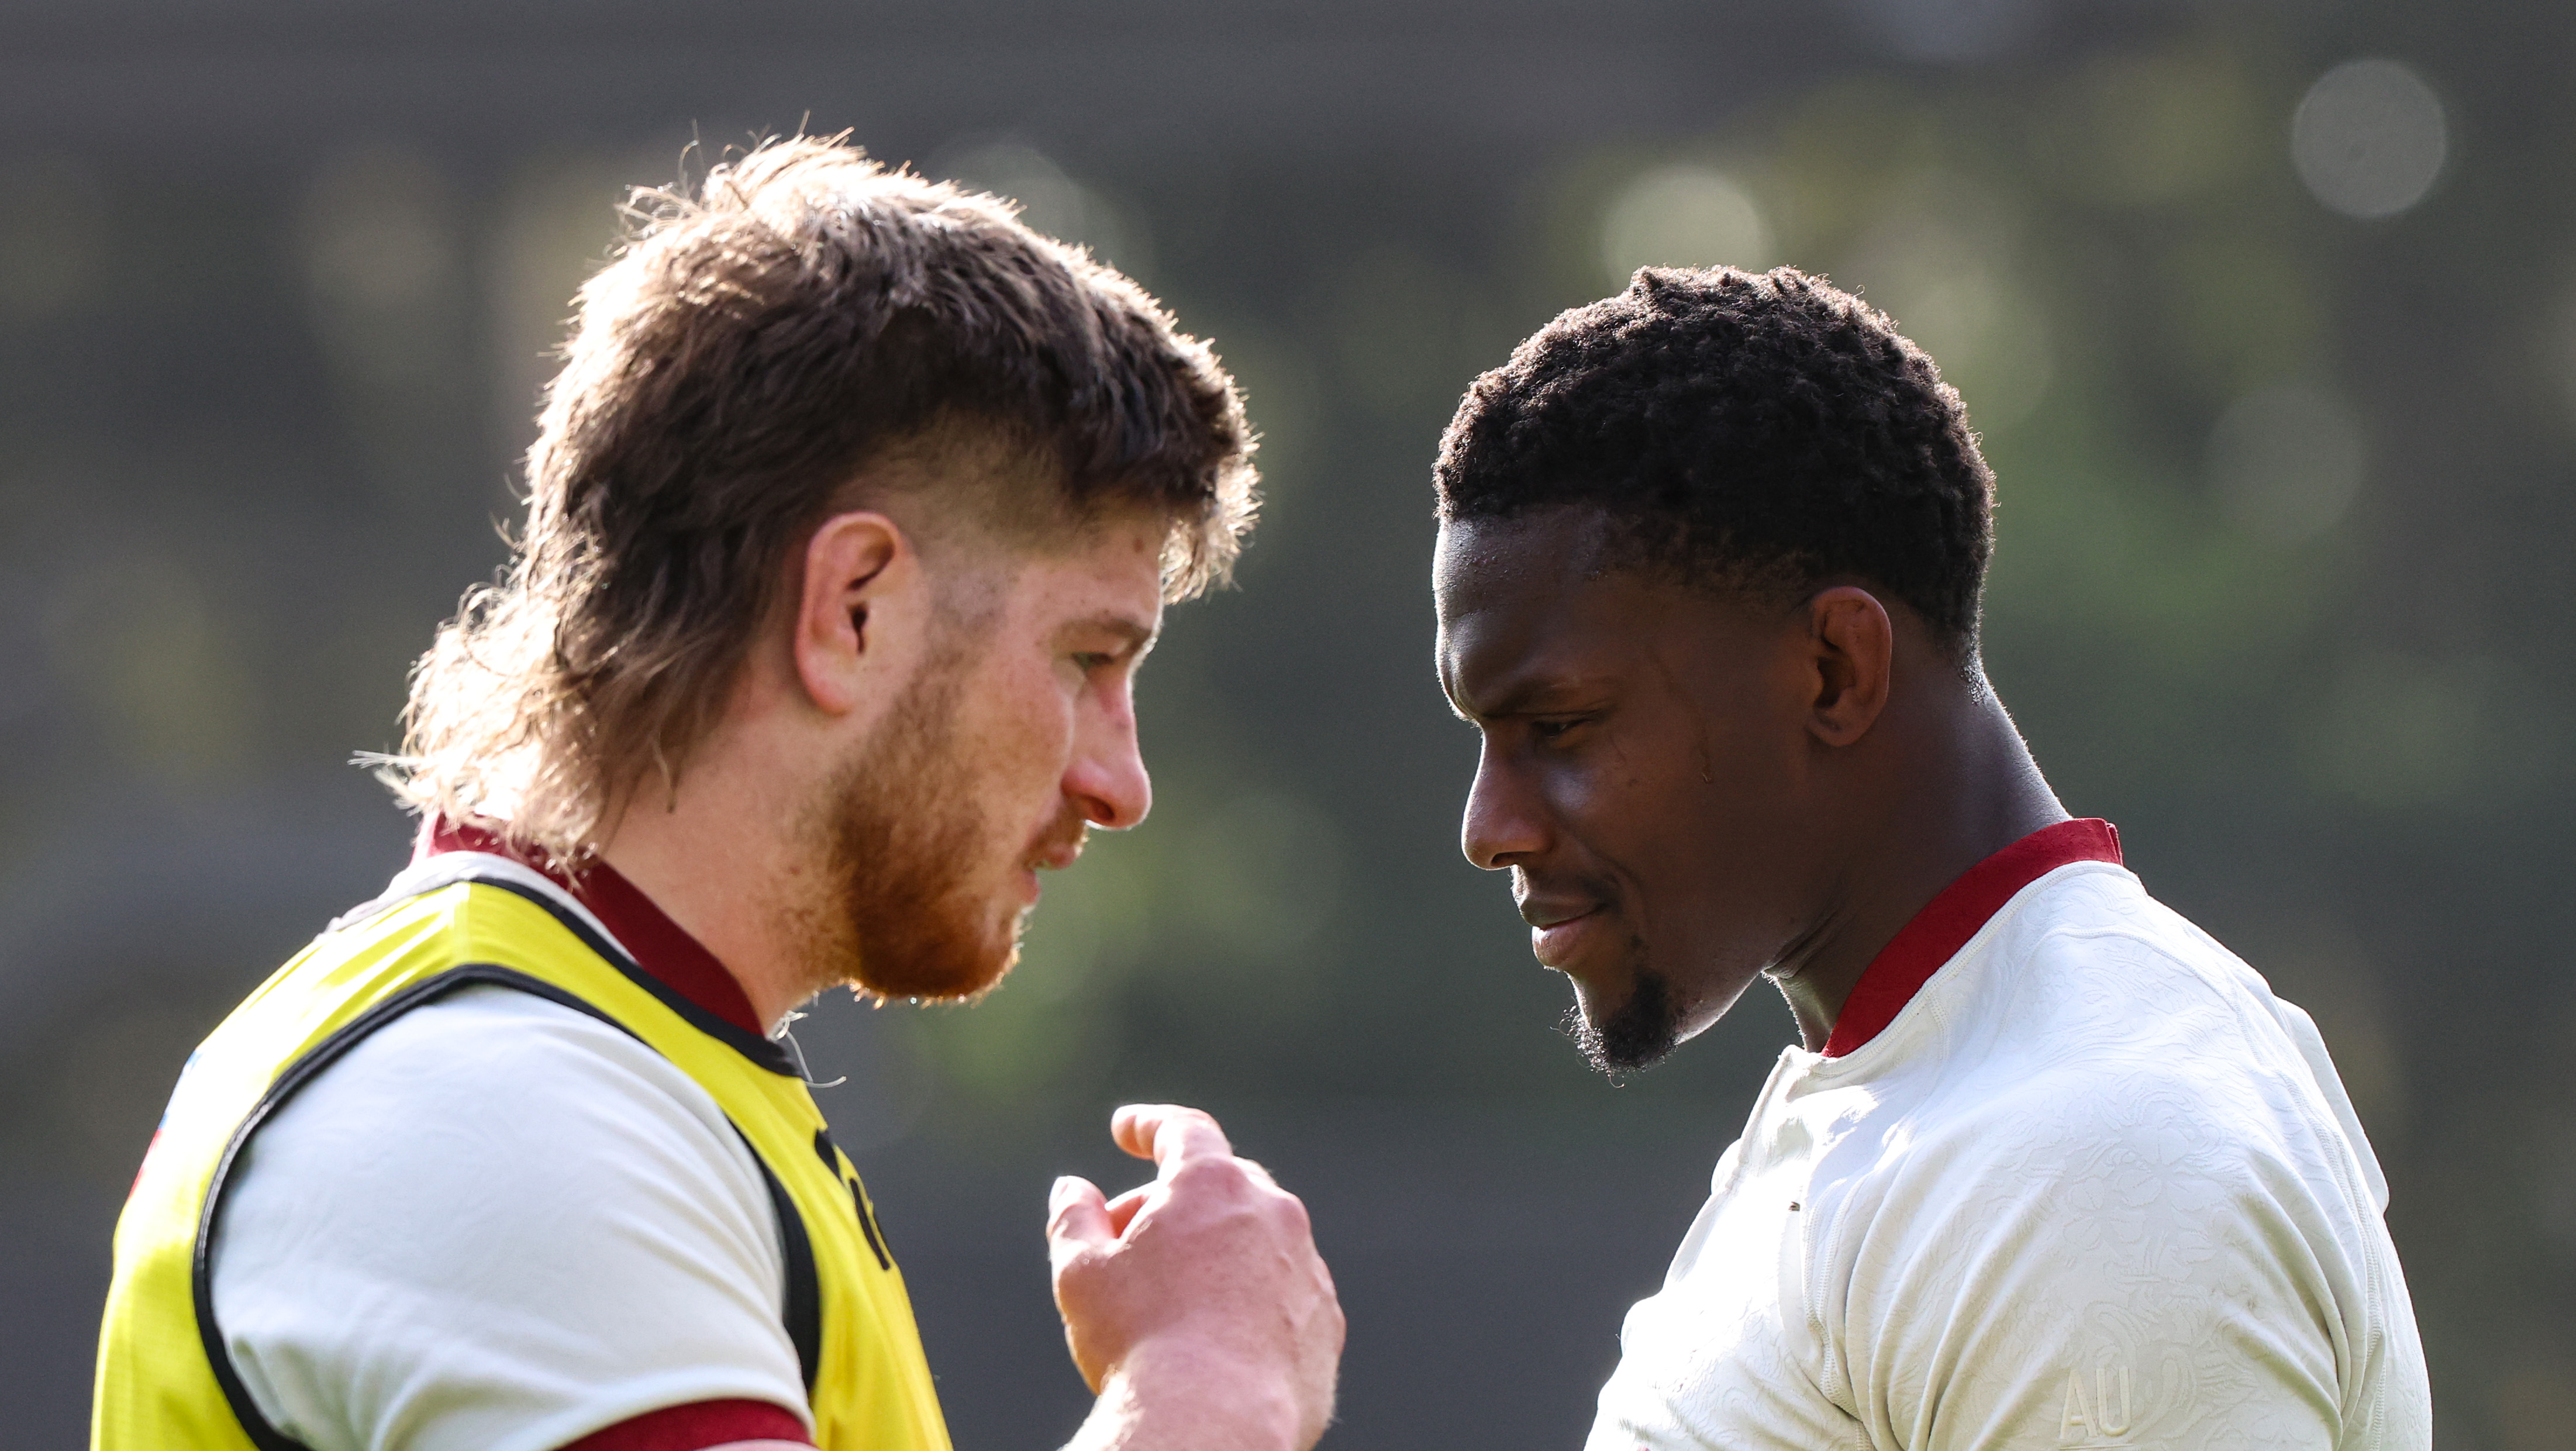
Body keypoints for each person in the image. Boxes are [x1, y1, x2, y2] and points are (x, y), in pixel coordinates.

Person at [92, 137, 1342, 1451]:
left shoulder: (599, 1063)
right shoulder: (499, 1114)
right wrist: (1206, 1387)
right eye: (1087, 658)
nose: (1119, 779)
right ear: (853, 609)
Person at [1432, 267, 2429, 1449]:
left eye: (1558, 727)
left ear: (1832, 671)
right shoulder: (1920, 1097)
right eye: (1484, 739)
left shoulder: (2089, 1160)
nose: (1490, 824)